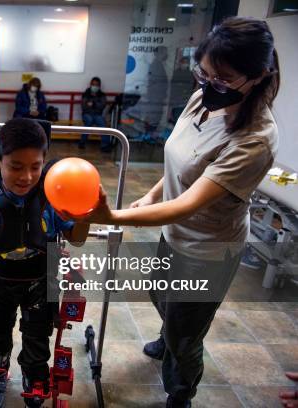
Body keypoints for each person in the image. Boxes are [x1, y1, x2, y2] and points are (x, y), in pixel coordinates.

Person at [75, 17, 280, 408]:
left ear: (257, 77)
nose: (208, 85)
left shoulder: (255, 138)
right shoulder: (203, 96)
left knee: (187, 335)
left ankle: (180, 391)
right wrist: (152, 195)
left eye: (223, 80)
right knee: (158, 292)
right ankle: (171, 333)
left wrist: (112, 218)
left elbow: (190, 202)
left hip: (207, 249)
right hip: (176, 235)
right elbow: (181, 158)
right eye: (204, 73)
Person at [0, 118, 90, 407]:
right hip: (1, 282)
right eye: (16, 166)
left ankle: (34, 379)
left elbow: (77, 238)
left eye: (35, 166)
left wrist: (85, 213)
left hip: (40, 284)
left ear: (44, 162)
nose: (26, 176)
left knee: (37, 340)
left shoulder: (53, 194)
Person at [79, 76, 110, 151]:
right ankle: (82, 143)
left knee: (102, 123)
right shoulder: (86, 94)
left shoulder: (102, 95)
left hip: (97, 115)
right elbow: (84, 106)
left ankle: (105, 146)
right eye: (93, 84)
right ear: (90, 84)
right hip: (87, 114)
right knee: (89, 120)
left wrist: (93, 104)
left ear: (99, 86)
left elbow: (102, 105)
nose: (94, 86)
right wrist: (95, 105)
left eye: (96, 85)